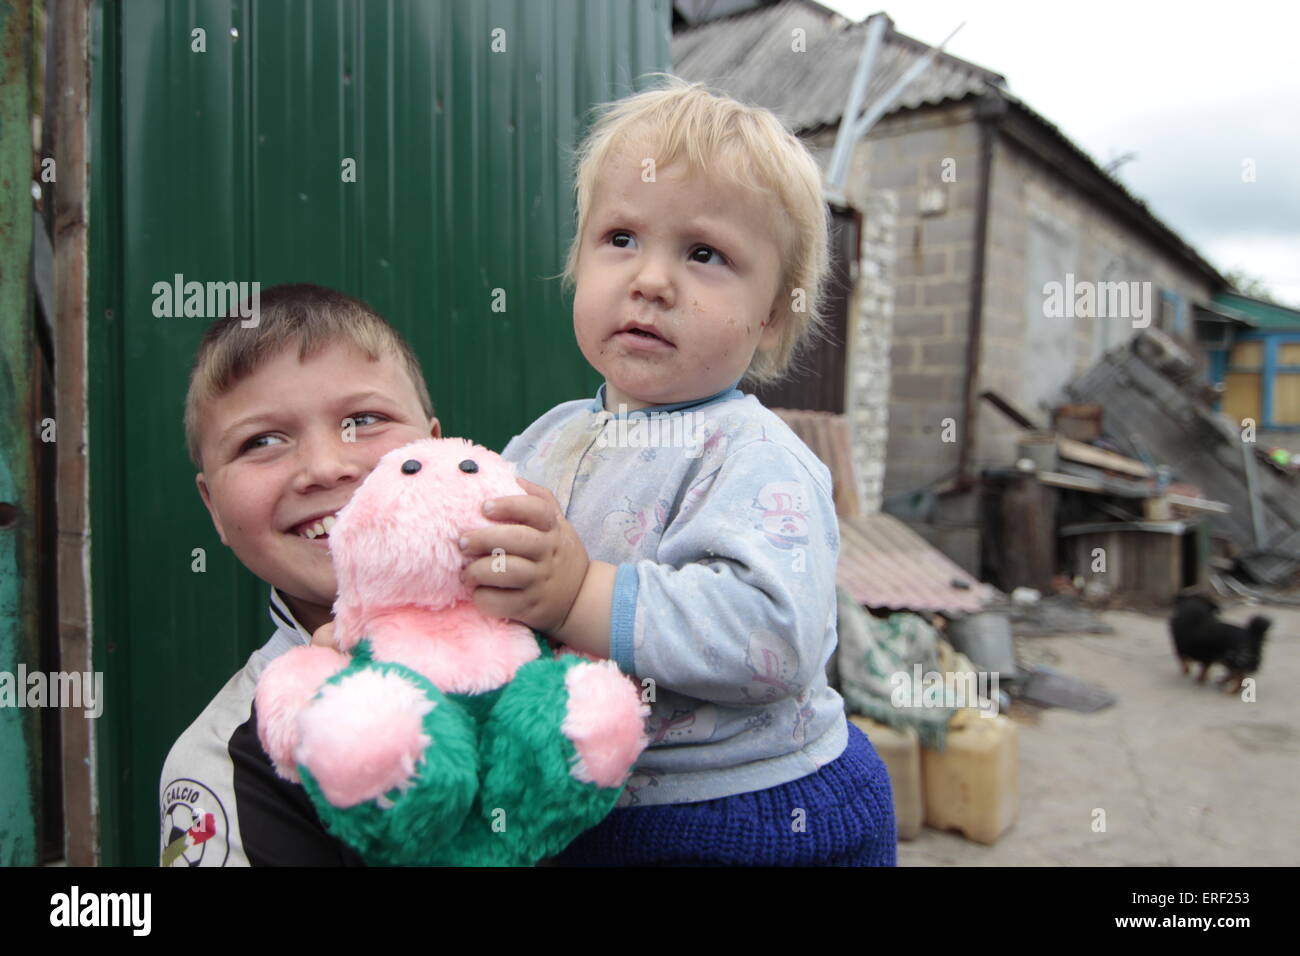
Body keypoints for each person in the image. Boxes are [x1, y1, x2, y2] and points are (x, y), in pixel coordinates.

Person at [458, 76, 898, 866]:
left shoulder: (754, 457)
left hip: (744, 811)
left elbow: (772, 636)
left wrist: (582, 594)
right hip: (584, 797)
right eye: (620, 238)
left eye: (704, 254)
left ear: (771, 315)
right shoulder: (547, 439)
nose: (651, 280)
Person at [158, 283, 445, 866]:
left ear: (437, 447)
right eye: (261, 441)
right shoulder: (228, 763)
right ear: (213, 506)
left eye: (364, 419)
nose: (323, 467)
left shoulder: (568, 619)